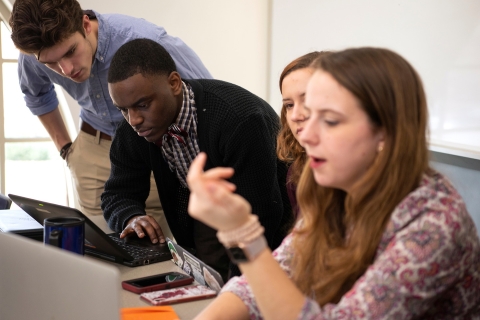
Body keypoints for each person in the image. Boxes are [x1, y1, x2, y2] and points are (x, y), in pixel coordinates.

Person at [187, 47, 480, 319]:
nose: (307, 133)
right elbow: (269, 279)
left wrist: (241, 233)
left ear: (386, 132)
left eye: (330, 120)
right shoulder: (332, 188)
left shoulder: (433, 225)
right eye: (300, 111)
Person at [102, 39, 293, 281]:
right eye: (123, 109)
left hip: (268, 220)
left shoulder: (240, 119)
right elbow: (116, 195)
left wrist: (239, 288)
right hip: (209, 215)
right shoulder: (136, 128)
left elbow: (263, 214)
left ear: (174, 83)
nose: (133, 119)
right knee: (209, 285)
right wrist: (131, 216)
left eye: (143, 105)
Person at [9, 0, 212, 226]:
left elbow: (206, 98)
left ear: (85, 24)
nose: (66, 69)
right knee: (95, 249)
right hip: (93, 151)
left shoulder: (145, 39)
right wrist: (67, 150)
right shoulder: (34, 54)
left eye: (70, 52)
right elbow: (36, 94)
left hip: (156, 152)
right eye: (52, 63)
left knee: (160, 245)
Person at [277, 51, 327, 218]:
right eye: (289, 105)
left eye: (307, 100)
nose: (295, 116)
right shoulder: (298, 171)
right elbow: (303, 243)